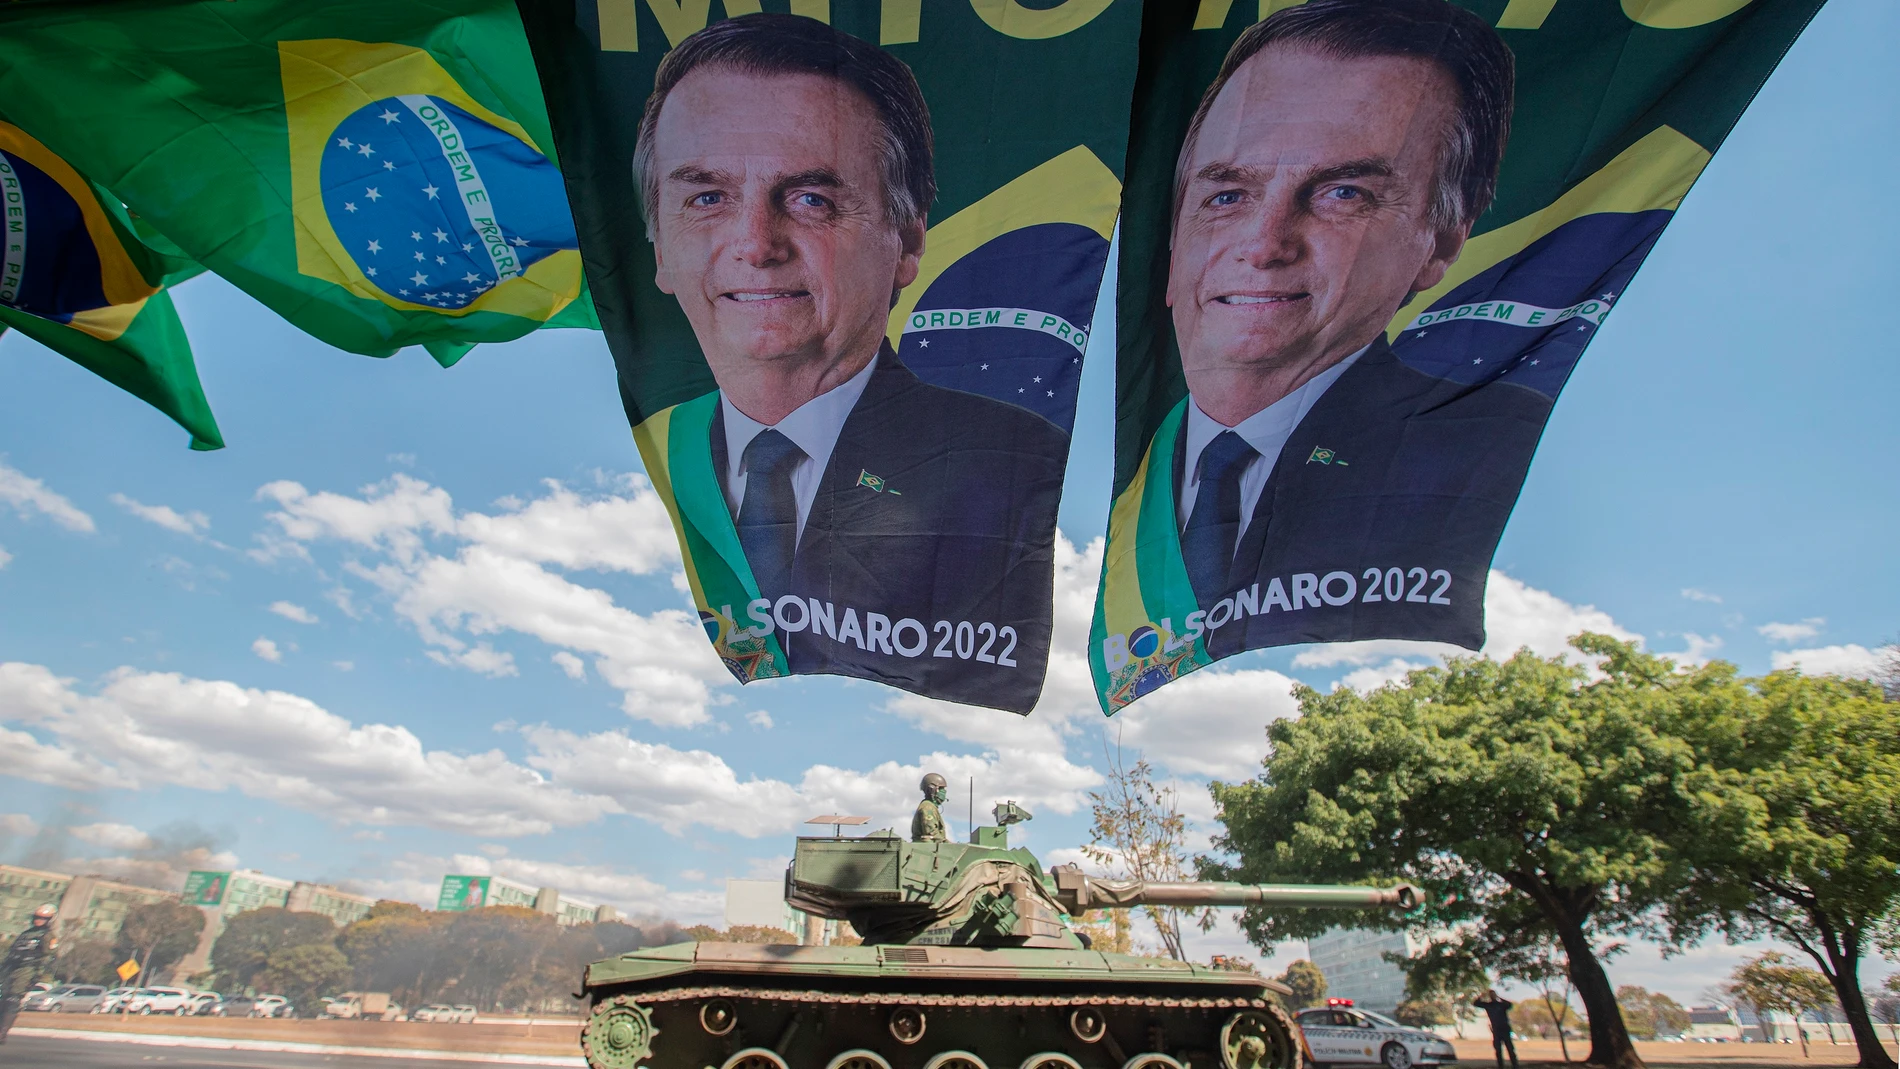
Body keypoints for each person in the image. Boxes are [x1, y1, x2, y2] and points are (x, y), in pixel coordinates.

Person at [632, 13, 1066, 712]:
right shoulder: (662, 446)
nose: (755, 244)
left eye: (811, 199)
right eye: (707, 197)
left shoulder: (1010, 465)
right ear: (659, 246)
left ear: (908, 239)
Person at [1158, 0, 1545, 658]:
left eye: (1344, 194)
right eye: (1227, 195)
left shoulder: (1465, 442)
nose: (1264, 244)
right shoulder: (1136, 455)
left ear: (1442, 238)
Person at [0, 905, 57, 1044]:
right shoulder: (26, 933)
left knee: (12, 1000)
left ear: (49, 920)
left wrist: (36, 975)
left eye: (43, 918)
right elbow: (12, 952)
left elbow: (49, 957)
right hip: (11, 968)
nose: (38, 920)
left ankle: (2, 1033)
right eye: (37, 917)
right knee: (2, 998)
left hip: (27, 970)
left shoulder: (47, 936)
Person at [1474, 988, 1518, 1069]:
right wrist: (1481, 996)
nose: (1493, 996)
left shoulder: (1502, 1005)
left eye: (1494, 994)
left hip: (1505, 1029)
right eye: (1491, 995)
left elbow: (1510, 1004)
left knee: (1510, 1049)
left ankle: (1515, 1065)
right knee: (1498, 1050)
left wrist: (1499, 997)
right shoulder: (1488, 1005)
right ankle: (1500, 1066)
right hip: (1496, 1030)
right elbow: (1476, 1003)